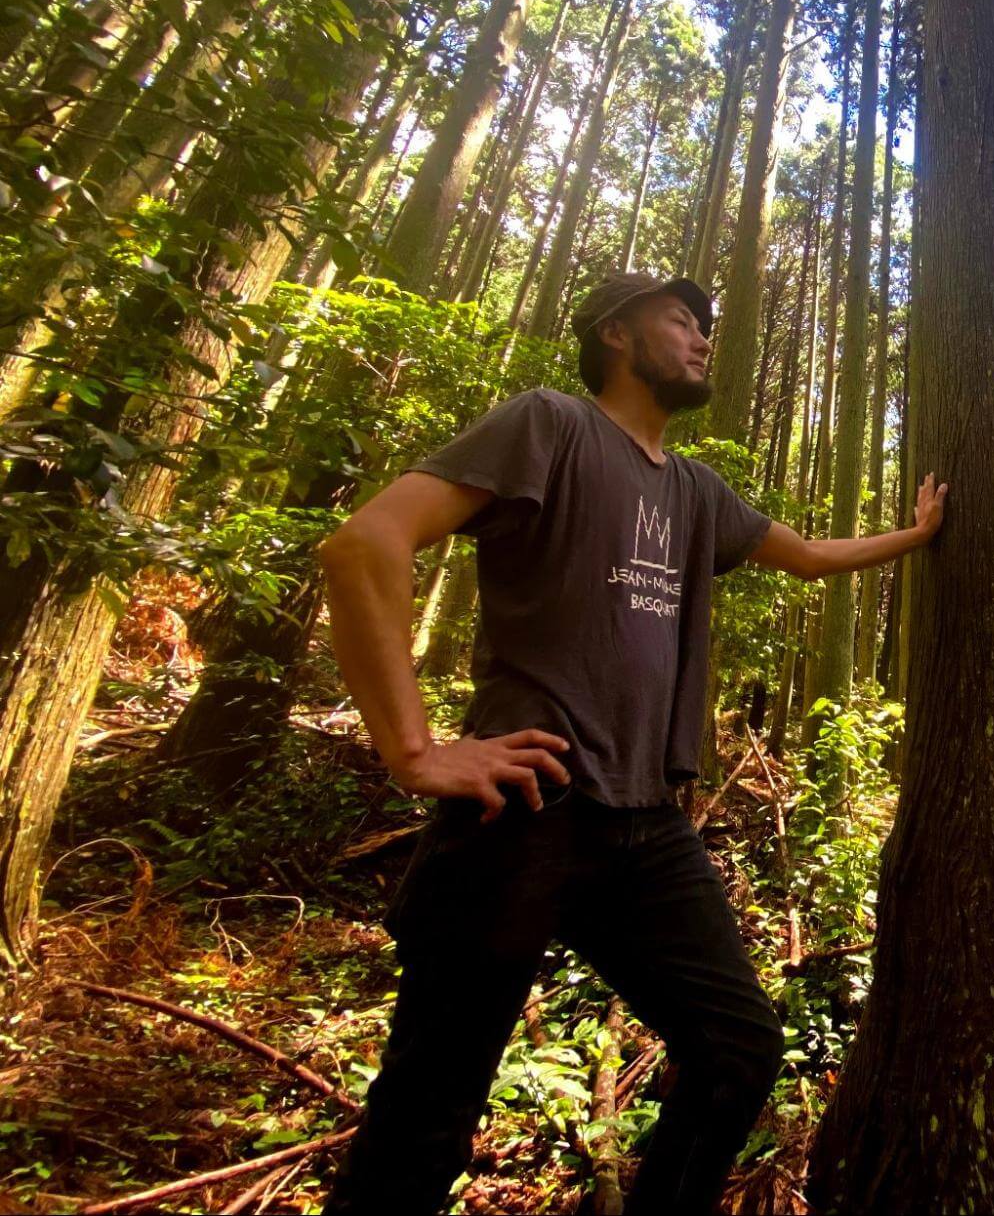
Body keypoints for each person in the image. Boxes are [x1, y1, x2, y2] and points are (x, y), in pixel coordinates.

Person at [317, 272, 946, 1215]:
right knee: (427, 1114)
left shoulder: (697, 490)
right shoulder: (550, 424)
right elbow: (364, 544)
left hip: (648, 825)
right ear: (615, 333)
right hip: (523, 808)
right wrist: (414, 752)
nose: (702, 337)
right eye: (680, 319)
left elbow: (810, 558)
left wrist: (916, 535)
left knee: (736, 1050)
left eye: (706, 325)